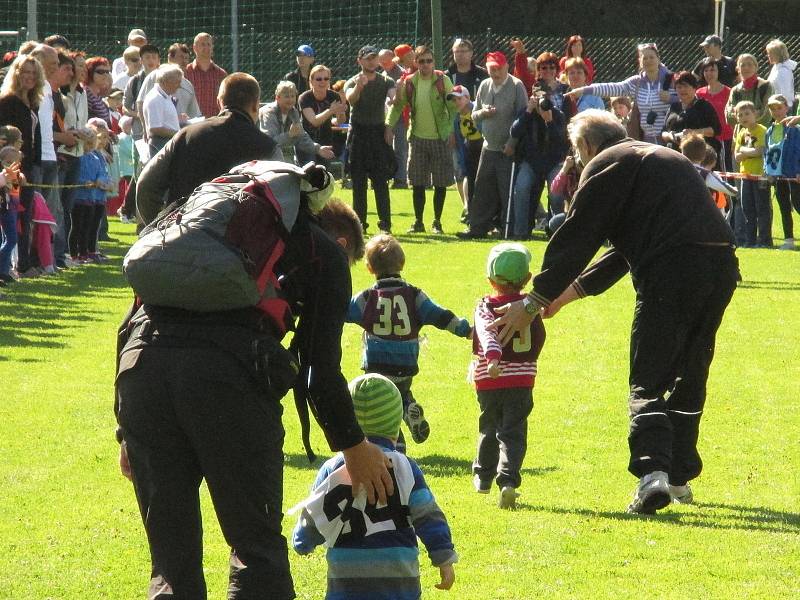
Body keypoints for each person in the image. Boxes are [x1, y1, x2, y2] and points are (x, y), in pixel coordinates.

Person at [117, 170, 394, 598]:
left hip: (142, 375)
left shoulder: (195, 229)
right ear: (344, 243)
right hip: (227, 380)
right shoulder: (323, 253)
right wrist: (354, 446)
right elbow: (319, 368)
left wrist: (126, 431)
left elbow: (130, 322)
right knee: (255, 549)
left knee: (171, 561)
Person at [489, 110, 739, 515]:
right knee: (691, 368)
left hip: (672, 268)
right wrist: (561, 297)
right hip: (722, 265)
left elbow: (578, 233)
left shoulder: (607, 163)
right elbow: (620, 254)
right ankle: (678, 475)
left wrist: (533, 301)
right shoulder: (654, 157)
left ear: (587, 146)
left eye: (577, 153)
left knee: (648, 377)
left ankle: (651, 475)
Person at [292, 373, 457, 599]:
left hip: (347, 584)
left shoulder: (334, 468)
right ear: (395, 425)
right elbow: (428, 515)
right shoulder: (405, 467)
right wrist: (443, 557)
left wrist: (303, 540)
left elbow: (315, 513)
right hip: (399, 584)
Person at [346, 233, 471, 449]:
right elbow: (439, 315)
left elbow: (341, 311)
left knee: (383, 405)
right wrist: (465, 329)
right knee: (401, 392)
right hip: (406, 363)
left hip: (377, 365)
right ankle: (408, 408)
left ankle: (396, 445)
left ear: (369, 268)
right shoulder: (414, 295)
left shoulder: (366, 298)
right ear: (402, 263)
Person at [135, 73, 283, 225]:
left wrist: (157, 226)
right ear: (255, 105)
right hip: (239, 242)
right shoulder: (268, 148)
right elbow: (282, 199)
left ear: (220, 102)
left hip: (181, 234)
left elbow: (146, 185)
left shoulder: (186, 135)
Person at [471, 243, 545, 508]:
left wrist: (492, 359)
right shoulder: (530, 307)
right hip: (522, 381)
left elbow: (486, 333)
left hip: (490, 379)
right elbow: (539, 337)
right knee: (513, 432)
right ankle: (509, 481)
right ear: (527, 279)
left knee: (489, 426)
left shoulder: (485, 306)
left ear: (490, 279)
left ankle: (483, 476)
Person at [457, 51, 527, 239]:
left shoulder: (516, 86)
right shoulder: (485, 86)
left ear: (506, 67)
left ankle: (509, 229)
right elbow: (474, 114)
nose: (495, 73)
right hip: (488, 147)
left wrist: (512, 142)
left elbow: (523, 117)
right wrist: (483, 114)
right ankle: (477, 228)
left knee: (506, 191)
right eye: (491, 69)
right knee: (482, 189)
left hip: (508, 148)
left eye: (498, 69)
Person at [386, 45, 455, 234]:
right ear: (415, 62)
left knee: (440, 182)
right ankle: (418, 222)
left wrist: (450, 130)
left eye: (429, 61)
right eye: (422, 61)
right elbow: (398, 106)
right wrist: (388, 127)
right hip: (417, 138)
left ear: (433, 62)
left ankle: (437, 222)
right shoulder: (409, 82)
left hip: (439, 138)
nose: (425, 64)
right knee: (417, 182)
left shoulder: (443, 80)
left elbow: (453, 106)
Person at [567, 42, 675, 144]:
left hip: (669, 140)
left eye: (651, 57)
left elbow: (688, 99)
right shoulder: (636, 82)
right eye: (645, 58)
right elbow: (613, 87)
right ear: (640, 62)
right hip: (646, 141)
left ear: (658, 59)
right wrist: (584, 90)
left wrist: (671, 99)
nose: (648, 60)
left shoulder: (671, 80)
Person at [344, 45, 397, 235]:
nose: (371, 61)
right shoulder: (353, 81)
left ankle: (385, 225)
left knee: (381, 182)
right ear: (360, 61)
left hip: (378, 134)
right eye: (367, 58)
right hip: (358, 134)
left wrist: (393, 100)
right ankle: (360, 225)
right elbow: (351, 100)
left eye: (374, 58)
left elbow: (393, 96)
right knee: (359, 183)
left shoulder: (386, 80)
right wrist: (359, 86)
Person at [0, 55, 44, 276]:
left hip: (29, 166)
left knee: (25, 216)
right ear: (16, 73)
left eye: (33, 73)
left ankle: (22, 263)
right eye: (25, 72)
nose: (29, 77)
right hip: (12, 168)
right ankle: (13, 266)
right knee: (12, 218)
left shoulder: (33, 102)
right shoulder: (8, 101)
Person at [509, 84, 567, 239]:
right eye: (537, 95)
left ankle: (556, 232)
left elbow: (562, 141)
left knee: (556, 194)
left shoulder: (557, 114)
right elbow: (514, 132)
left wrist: (549, 121)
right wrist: (528, 111)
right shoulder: (526, 113)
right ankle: (520, 232)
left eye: (544, 95)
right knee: (521, 188)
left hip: (553, 162)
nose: (541, 99)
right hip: (531, 162)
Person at [258, 80, 335, 165]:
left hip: (277, 154)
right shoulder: (269, 113)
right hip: (260, 155)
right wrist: (289, 135)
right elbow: (269, 142)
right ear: (278, 98)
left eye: (293, 96)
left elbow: (301, 136)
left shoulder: (293, 112)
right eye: (286, 96)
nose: (290, 99)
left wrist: (318, 149)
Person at [733, 100, 772, 248]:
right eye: (740, 115)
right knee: (747, 208)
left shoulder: (762, 130)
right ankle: (750, 241)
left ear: (755, 113)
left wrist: (744, 151)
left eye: (747, 113)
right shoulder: (742, 133)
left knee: (762, 208)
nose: (744, 117)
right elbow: (737, 156)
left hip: (760, 175)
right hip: (745, 175)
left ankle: (764, 240)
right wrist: (747, 152)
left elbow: (760, 151)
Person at [764, 94, 800, 250]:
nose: (776, 112)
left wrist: (798, 170)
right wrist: (767, 171)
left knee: (798, 204)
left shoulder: (795, 129)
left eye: (779, 108)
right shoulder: (769, 131)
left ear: (786, 107)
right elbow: (768, 152)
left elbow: (798, 151)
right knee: (784, 207)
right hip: (777, 175)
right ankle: (789, 240)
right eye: (772, 109)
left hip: (793, 174)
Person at [298, 64, 347, 167]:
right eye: (319, 79)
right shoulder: (304, 98)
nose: (323, 82)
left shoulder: (334, 96)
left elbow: (340, 122)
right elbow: (314, 121)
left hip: (326, 140)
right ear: (311, 81)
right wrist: (331, 110)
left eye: (326, 78)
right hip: (307, 142)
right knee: (309, 173)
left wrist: (341, 112)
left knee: (324, 175)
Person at [661, 71, 721, 153]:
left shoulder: (704, 106)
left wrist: (694, 133)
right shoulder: (674, 107)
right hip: (674, 154)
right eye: (679, 87)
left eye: (685, 86)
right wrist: (670, 136)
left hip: (698, 154)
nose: (682, 90)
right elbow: (663, 132)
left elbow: (716, 130)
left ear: (694, 88)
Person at [448, 84, 482, 222]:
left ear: (467, 98)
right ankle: (470, 211)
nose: (456, 103)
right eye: (454, 100)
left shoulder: (477, 110)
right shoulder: (457, 118)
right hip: (470, 149)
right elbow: (460, 140)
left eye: (459, 99)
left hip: (482, 147)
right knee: (470, 179)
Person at [696, 58, 733, 169]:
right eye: (706, 70)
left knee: (725, 170)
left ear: (718, 72)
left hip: (724, 139)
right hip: (706, 139)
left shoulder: (729, 92)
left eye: (712, 70)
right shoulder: (699, 93)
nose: (709, 73)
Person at [142, 64, 185, 157]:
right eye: (177, 82)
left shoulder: (164, 96)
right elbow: (155, 129)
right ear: (166, 81)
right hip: (160, 145)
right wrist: (180, 133)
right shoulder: (155, 98)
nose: (179, 86)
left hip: (166, 144)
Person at [725, 54, 774, 133]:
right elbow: (729, 116)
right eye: (742, 65)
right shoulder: (735, 90)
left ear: (756, 67)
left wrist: (741, 117)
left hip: (762, 134)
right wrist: (754, 114)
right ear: (738, 69)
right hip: (741, 135)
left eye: (750, 64)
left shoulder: (766, 86)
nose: (746, 68)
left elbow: (767, 114)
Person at [184, 32, 227, 118]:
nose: (206, 47)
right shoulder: (186, 72)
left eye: (209, 44)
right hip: (192, 124)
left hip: (215, 123)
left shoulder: (221, 74)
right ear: (194, 47)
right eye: (203, 44)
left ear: (212, 47)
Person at [765, 39, 796, 113]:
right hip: (775, 105)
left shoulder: (783, 71)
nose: (768, 55)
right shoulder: (776, 67)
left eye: (771, 53)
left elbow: (785, 93)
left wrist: (782, 108)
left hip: (782, 108)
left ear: (778, 54)